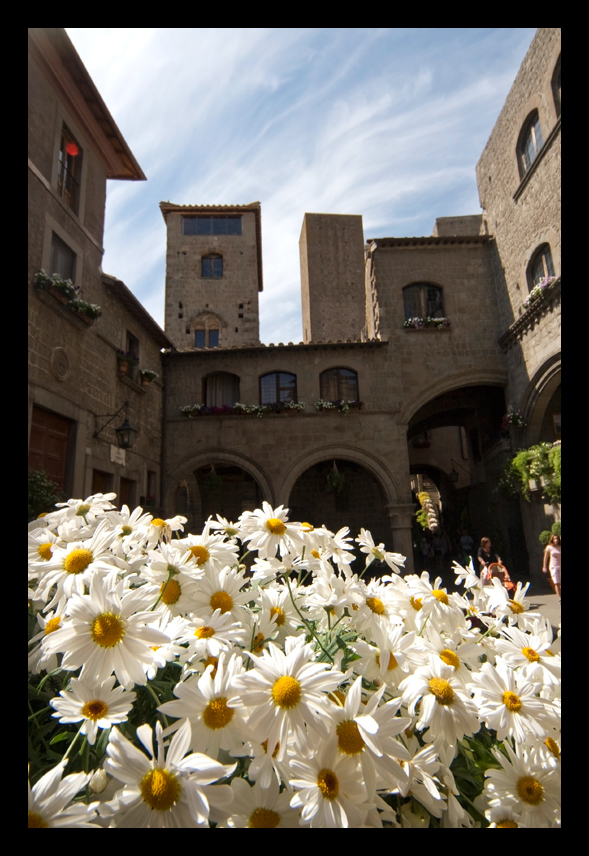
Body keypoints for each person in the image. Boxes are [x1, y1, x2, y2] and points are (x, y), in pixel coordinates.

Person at [543, 533, 561, 601]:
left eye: (557, 538)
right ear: (552, 539)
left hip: (560, 566)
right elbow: (546, 557)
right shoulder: (549, 547)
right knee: (557, 582)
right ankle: (559, 598)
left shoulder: (560, 547)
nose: (556, 540)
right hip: (554, 567)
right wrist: (544, 566)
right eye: (555, 539)